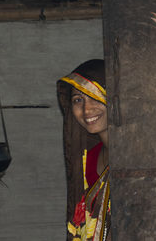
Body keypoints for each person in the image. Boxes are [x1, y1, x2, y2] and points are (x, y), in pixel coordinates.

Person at [57, 59, 110, 241]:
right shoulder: (89, 158)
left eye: (95, 97)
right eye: (78, 100)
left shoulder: (140, 158)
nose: (87, 109)